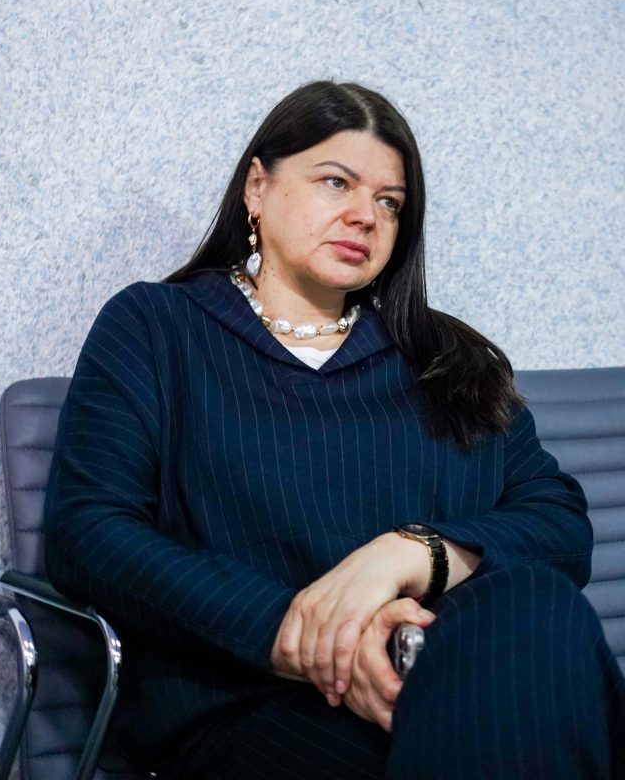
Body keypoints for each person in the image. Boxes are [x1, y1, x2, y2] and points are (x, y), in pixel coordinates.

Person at [44, 80, 625, 780]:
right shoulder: (156, 327)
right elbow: (89, 533)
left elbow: (558, 525)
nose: (365, 216)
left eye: (390, 202)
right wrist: (306, 635)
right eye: (336, 182)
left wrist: (412, 552)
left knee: (538, 610)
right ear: (257, 188)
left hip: (441, 674)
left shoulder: (447, 357)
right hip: (249, 700)